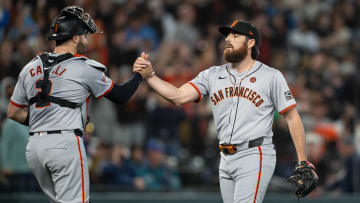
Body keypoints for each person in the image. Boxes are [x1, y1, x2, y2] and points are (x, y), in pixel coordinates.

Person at [134, 20, 318, 203]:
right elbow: (178, 96)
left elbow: (292, 116)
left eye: (235, 36)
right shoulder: (212, 74)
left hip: (255, 153)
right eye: (228, 35)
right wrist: (150, 76)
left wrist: (303, 159)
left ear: (251, 43)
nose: (228, 39)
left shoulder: (270, 76)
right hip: (225, 156)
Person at [7, 6, 153, 203]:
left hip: (35, 149)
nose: (87, 39)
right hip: (65, 144)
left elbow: (14, 112)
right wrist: (139, 76)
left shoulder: (30, 67)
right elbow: (121, 96)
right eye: (84, 35)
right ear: (75, 38)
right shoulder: (84, 66)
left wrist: (46, 122)